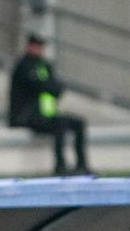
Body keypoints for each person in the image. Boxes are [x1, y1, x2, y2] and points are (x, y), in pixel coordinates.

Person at [8, 34, 90, 176]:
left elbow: (55, 88)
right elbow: (44, 86)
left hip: (45, 115)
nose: (40, 50)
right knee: (61, 125)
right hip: (28, 116)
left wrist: (49, 86)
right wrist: (50, 86)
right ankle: (60, 164)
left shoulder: (44, 66)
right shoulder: (23, 66)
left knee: (78, 123)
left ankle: (81, 164)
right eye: (37, 46)